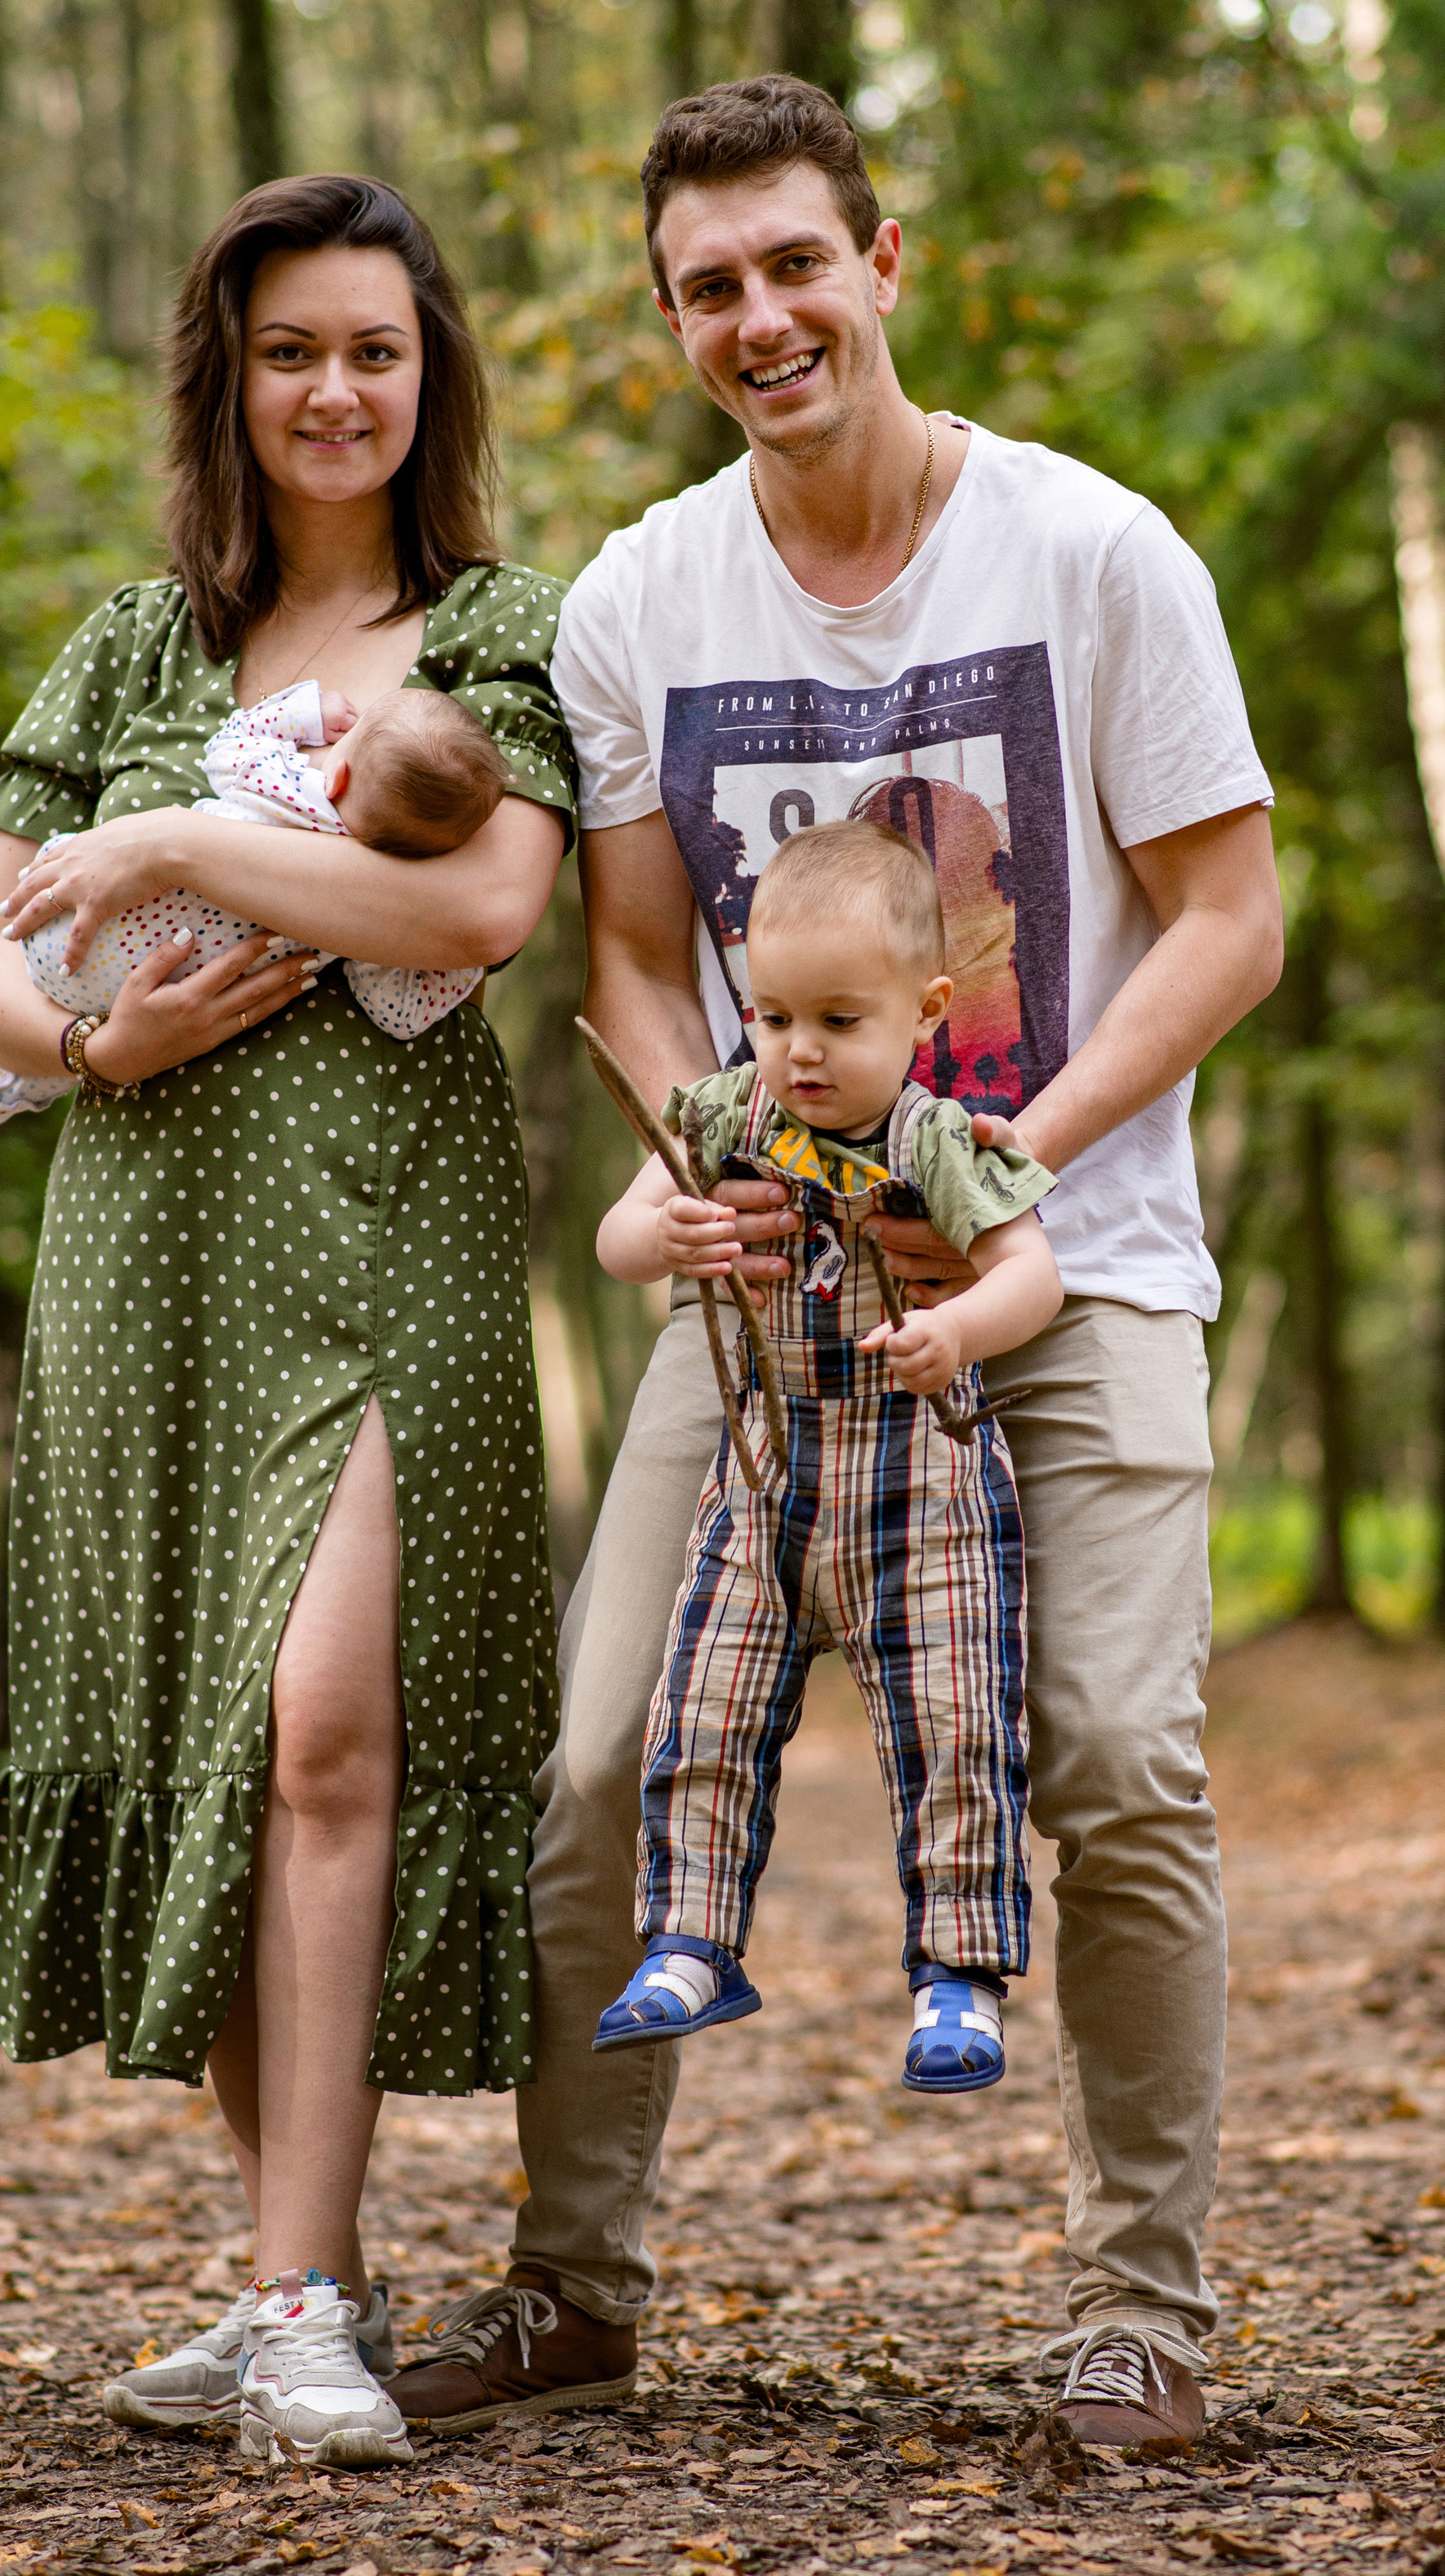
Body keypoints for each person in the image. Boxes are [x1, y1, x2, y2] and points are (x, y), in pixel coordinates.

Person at [386, 76, 1283, 2453]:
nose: (759, 316)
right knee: (596, 1764)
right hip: (770, 1307)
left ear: (882, 265)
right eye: (709, 287)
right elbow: (626, 958)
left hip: (1072, 1267)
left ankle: (1143, 2310)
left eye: (796, 264)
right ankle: (569, 2286)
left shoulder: (1095, 556)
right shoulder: (638, 601)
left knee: (1112, 1744)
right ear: (672, 318)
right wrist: (716, 1158)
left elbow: (1229, 917)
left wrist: (1009, 1147)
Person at [0, 173, 576, 2469]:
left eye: (376, 351)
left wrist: (181, 855)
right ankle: (306, 2282)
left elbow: (487, 900)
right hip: (138, 1245)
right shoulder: (128, 648)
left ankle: (300, 2295)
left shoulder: (498, 631)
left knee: (327, 1736)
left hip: (386, 1244)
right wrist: (106, 1040)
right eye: (293, 349)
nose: (335, 390)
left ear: (431, 379)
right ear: (235, 376)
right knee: (218, 1740)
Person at [589, 819, 1061, 2092]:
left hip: (924, 1491)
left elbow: (1034, 1278)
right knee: (705, 1705)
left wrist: (957, 1327)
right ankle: (690, 1940)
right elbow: (618, 1239)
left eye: (841, 1022)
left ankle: (956, 1977)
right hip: (765, 1483)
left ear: (927, 1012)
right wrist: (670, 1231)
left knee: (958, 1729)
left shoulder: (936, 1142)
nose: (800, 1049)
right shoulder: (721, 1111)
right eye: (776, 1013)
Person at [0, 677, 506, 1121]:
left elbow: (230, 744)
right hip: (119, 999)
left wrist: (305, 713)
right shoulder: (356, 917)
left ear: (337, 773)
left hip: (55, 928)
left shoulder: (287, 787)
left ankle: (30, 1072)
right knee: (109, 1003)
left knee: (78, 853)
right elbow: (396, 1011)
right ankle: (27, 1083)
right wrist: (462, 966)